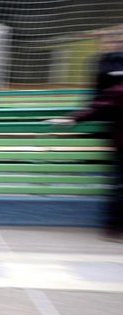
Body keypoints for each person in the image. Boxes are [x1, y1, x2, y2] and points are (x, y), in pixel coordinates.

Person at [48, 32, 123, 241]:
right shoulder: (113, 84)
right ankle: (114, 228)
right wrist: (73, 118)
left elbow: (101, 104)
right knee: (119, 187)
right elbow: (100, 104)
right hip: (118, 140)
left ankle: (114, 229)